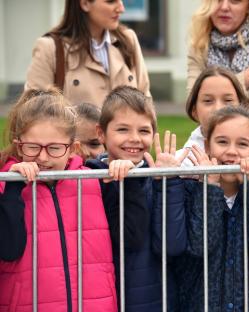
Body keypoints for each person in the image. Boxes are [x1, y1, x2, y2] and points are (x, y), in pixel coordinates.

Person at [0, 88, 117, 311]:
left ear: (72, 148)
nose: (43, 157)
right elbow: (9, 250)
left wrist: (129, 181)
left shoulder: (93, 180)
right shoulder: (5, 185)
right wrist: (13, 190)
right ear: (19, 144)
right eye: (33, 147)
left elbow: (131, 236)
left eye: (54, 148)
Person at [86, 86, 187, 312]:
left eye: (144, 131)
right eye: (123, 129)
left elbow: (173, 244)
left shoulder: (158, 177)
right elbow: (127, 239)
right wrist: (125, 180)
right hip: (108, 297)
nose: (134, 139)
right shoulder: (91, 178)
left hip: (157, 299)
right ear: (101, 133)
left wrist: (168, 181)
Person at [175, 106, 249, 311]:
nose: (231, 151)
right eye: (222, 142)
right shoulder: (190, 191)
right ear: (208, 147)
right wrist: (210, 188)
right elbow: (200, 245)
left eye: (243, 144)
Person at [25, 0, 151, 106]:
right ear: (85, 3)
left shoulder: (128, 40)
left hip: (127, 136)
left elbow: (146, 103)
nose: (121, 8)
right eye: (111, 1)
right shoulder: (50, 48)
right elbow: (34, 113)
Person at [180, 66, 249, 164]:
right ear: (194, 110)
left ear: (241, 106)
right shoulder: (183, 161)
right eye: (208, 101)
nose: (218, 108)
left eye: (228, 100)